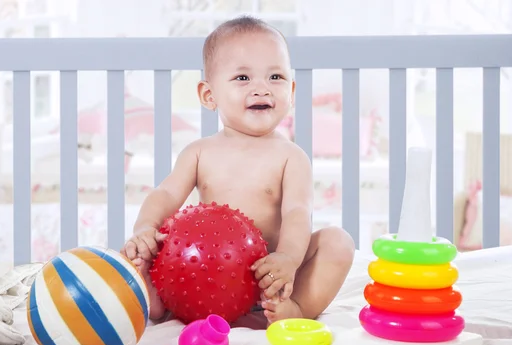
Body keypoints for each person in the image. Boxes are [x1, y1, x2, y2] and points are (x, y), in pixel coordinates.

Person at [121, 15, 355, 325]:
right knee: (149, 249)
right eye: (243, 78)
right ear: (209, 95)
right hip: (204, 273)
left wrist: (287, 258)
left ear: (292, 91)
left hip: (268, 279)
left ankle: (295, 307)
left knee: (339, 242)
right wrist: (144, 229)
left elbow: (298, 213)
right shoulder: (199, 152)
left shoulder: (291, 157)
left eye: (276, 77)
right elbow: (165, 193)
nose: (261, 89)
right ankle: (159, 300)